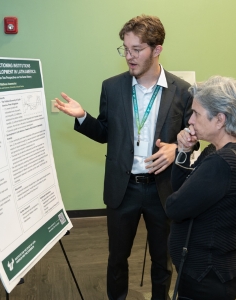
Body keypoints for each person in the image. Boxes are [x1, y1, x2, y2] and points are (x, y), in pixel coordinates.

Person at [54, 15, 193, 300]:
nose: (129, 56)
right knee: (117, 259)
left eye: (136, 49)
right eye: (125, 49)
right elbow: (105, 132)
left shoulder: (182, 90)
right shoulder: (112, 87)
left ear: (157, 50)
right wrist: (83, 118)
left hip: (163, 189)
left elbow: (194, 135)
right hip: (123, 188)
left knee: (162, 260)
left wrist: (178, 148)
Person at [165, 76, 236, 300]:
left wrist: (176, 197)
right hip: (213, 270)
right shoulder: (224, 151)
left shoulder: (222, 162)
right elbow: (181, 188)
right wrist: (183, 150)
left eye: (196, 113)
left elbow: (174, 206)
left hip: (207, 276)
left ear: (219, 119)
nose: (190, 120)